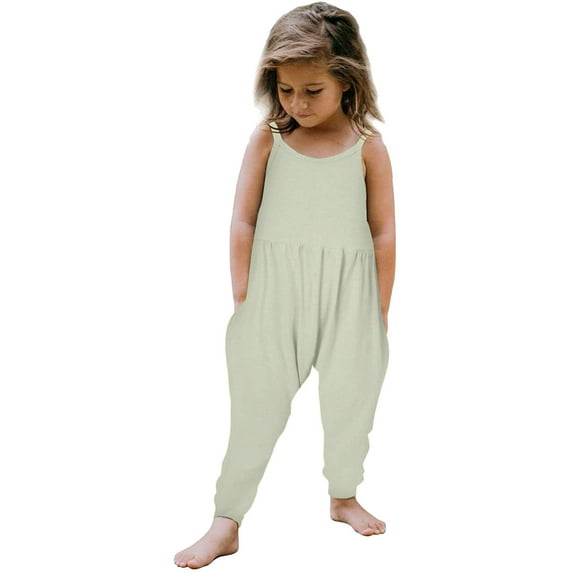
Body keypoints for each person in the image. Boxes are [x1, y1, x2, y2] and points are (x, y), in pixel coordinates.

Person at [174, 1, 395, 568]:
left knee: (352, 400)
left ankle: (343, 495)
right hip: (274, 292)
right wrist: (244, 293)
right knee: (256, 406)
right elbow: (243, 220)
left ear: (347, 81)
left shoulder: (368, 147)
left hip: (350, 295)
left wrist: (378, 307)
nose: (297, 102)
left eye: (312, 90)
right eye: (286, 89)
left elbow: (383, 231)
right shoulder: (269, 138)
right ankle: (227, 520)